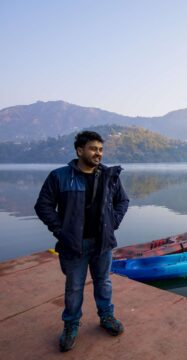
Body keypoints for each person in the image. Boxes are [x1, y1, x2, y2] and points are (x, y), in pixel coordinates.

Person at [34, 130, 129, 352]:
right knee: (74, 287)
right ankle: (70, 325)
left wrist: (113, 222)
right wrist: (61, 231)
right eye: (93, 149)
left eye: (101, 149)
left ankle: (106, 316)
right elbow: (43, 206)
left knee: (103, 282)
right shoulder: (59, 176)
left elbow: (122, 201)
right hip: (74, 245)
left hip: (103, 243)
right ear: (79, 150)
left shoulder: (109, 175)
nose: (98, 154)